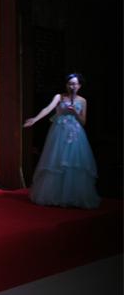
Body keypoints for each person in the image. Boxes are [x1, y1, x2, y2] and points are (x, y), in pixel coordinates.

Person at [23, 73, 100, 209]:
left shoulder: (82, 101)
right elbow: (48, 109)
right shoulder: (59, 97)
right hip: (59, 133)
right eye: (69, 83)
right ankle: (53, 196)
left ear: (79, 86)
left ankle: (72, 197)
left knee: (74, 163)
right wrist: (35, 119)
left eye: (74, 84)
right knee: (56, 162)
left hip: (76, 135)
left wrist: (75, 112)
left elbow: (83, 122)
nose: (72, 86)